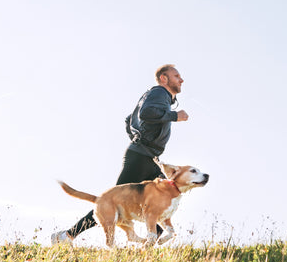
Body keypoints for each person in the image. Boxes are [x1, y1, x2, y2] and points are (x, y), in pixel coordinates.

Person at [51, 64, 189, 245]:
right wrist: (174, 116)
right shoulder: (159, 93)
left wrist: (138, 138)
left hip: (146, 157)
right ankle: (66, 236)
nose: (181, 79)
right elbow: (147, 113)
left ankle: (151, 246)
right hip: (141, 157)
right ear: (164, 78)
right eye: (176, 76)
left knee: (163, 198)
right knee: (111, 202)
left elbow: (129, 119)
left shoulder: (155, 96)